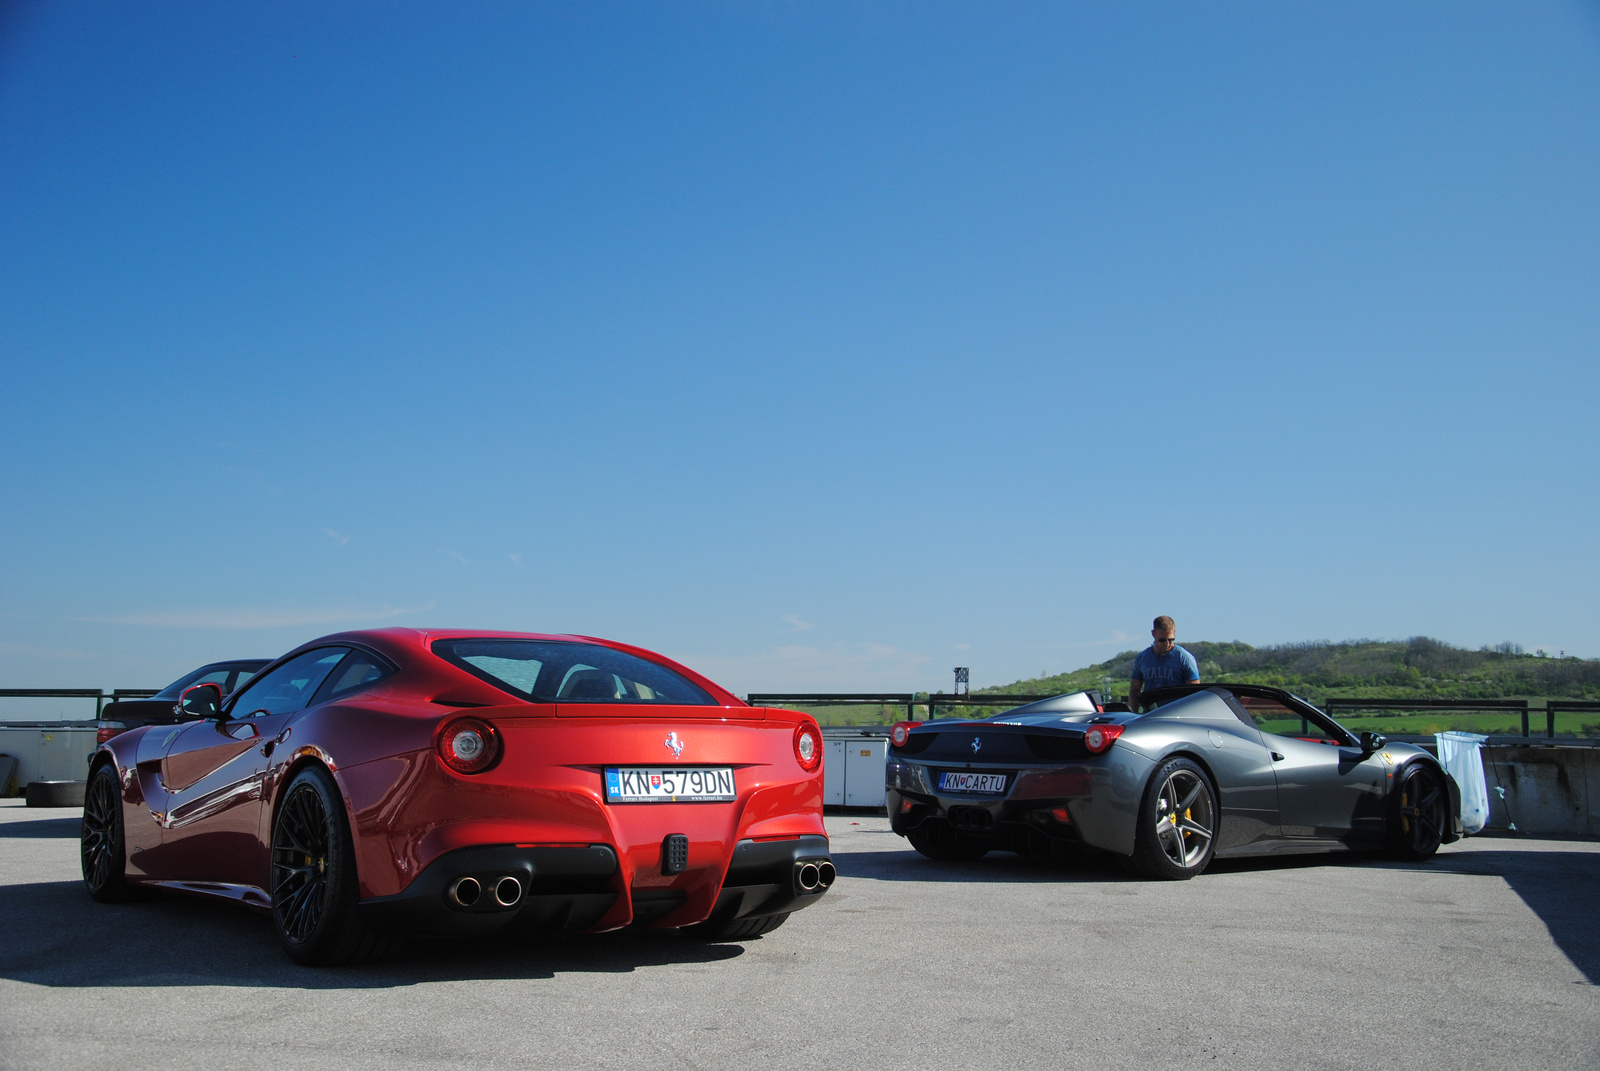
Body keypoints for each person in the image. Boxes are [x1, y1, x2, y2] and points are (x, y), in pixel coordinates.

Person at [1127, 615, 1200, 710]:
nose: (1167, 644)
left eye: (1171, 639)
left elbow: (1194, 693)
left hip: (1176, 714)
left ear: (1174, 633)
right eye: (1162, 640)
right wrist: (1134, 713)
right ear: (1153, 634)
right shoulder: (1142, 658)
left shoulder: (1184, 658)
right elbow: (1134, 690)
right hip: (1150, 714)